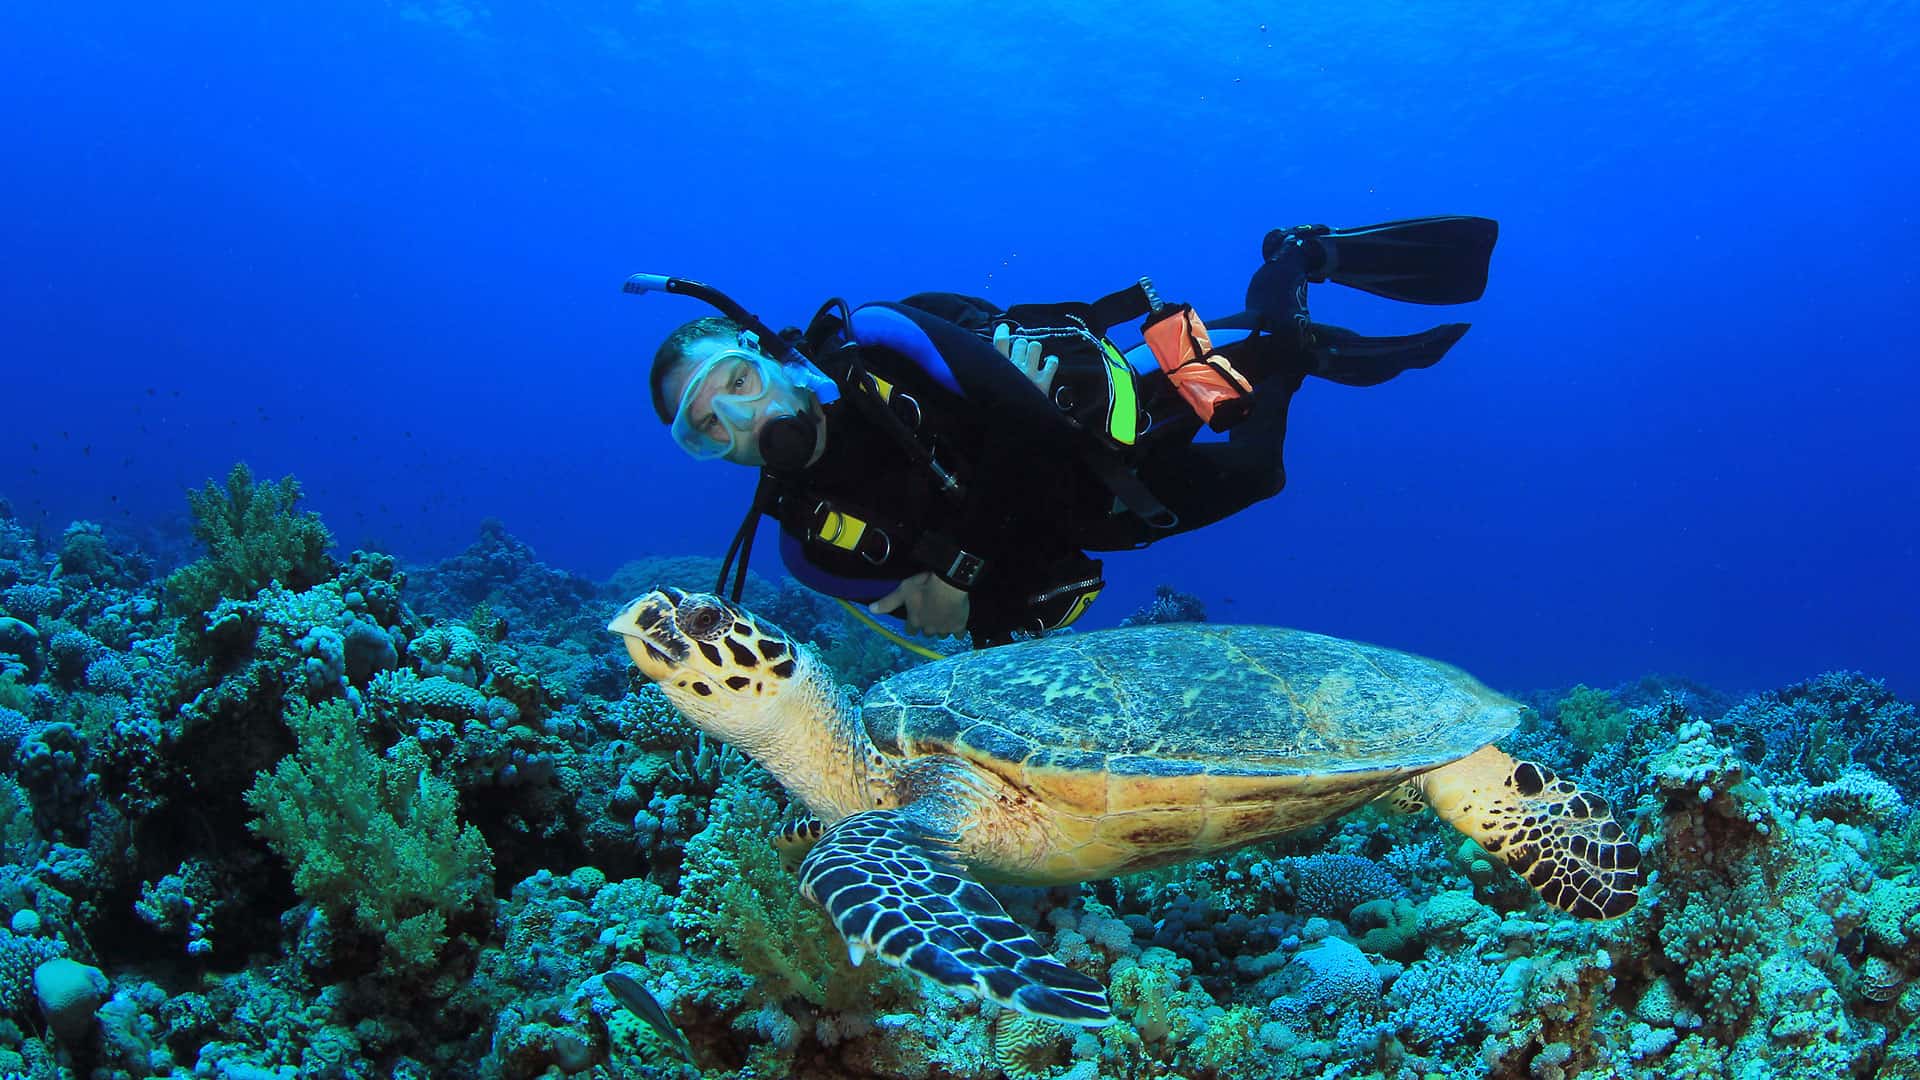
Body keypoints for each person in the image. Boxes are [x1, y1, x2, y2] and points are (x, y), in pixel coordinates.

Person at [645, 217, 1497, 646]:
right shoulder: (807, 551)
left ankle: (1296, 262)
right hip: (1100, 517)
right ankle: (1297, 349)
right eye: (709, 428)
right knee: (1260, 475)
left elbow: (1021, 418)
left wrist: (952, 568)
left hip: (1096, 428)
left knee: (1258, 360)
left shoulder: (878, 340)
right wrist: (962, 608)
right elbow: (981, 624)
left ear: (770, 356)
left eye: (739, 383)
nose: (745, 419)